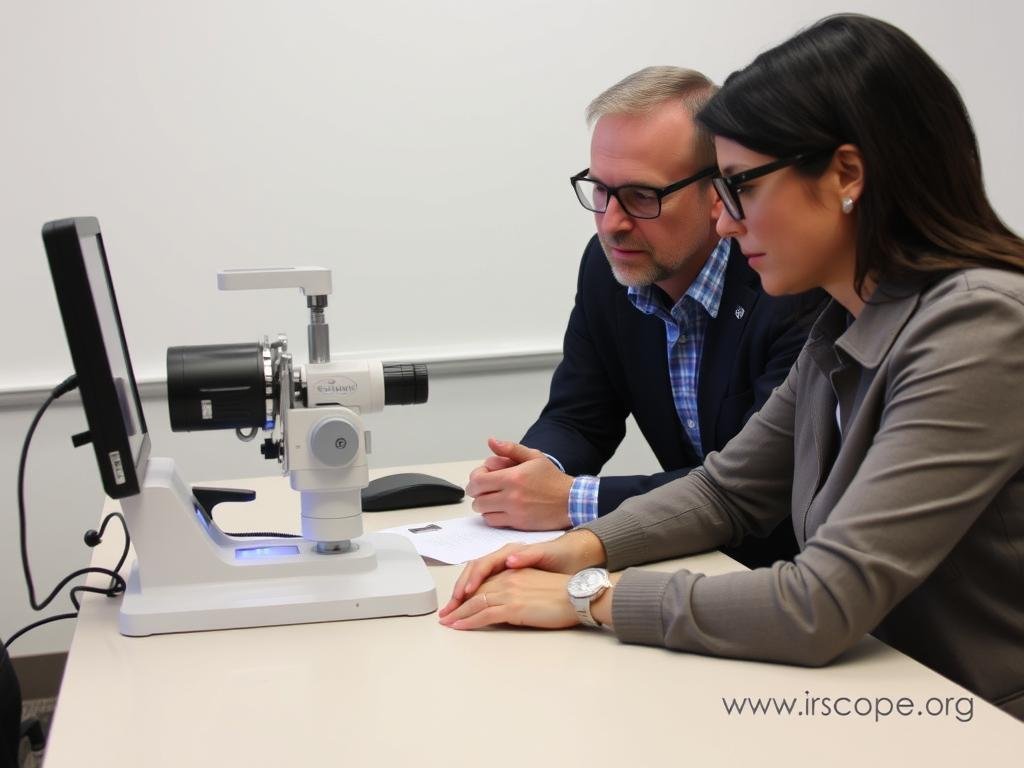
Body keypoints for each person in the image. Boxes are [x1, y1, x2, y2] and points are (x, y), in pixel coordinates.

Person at [440, 14, 1024, 721]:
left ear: (845, 174)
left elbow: (822, 600)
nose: (724, 221)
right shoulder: (850, 318)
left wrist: (590, 596)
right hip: (882, 695)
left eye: (740, 187)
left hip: (978, 718)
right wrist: (575, 549)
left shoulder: (979, 323)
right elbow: (727, 491)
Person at [467, 67, 823, 569]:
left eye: (642, 196)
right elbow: (579, 416)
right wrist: (531, 471)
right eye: (599, 190)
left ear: (717, 189)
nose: (612, 223)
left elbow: (760, 482)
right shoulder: (608, 267)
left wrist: (572, 499)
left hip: (790, 569)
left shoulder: (789, 282)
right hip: (689, 556)